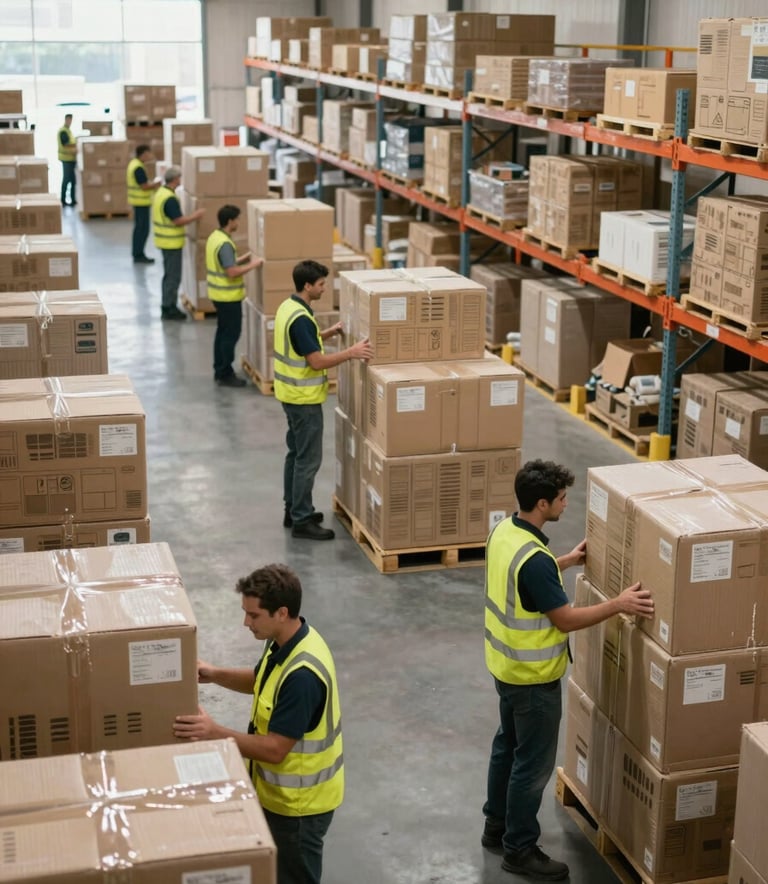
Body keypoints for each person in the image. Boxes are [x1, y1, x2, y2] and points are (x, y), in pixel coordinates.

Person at [482, 459, 654, 881]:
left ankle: (496, 826)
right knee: (532, 765)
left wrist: (565, 561)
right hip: (534, 680)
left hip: (505, 668)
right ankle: (519, 849)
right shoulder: (535, 561)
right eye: (561, 499)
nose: (565, 504)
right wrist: (618, 604)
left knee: (507, 747)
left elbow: (526, 581)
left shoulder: (505, 532)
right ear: (542, 504)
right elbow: (565, 620)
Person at [173, 563, 343, 884]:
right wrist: (215, 674)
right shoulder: (284, 640)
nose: (246, 622)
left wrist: (214, 732)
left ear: (281, 613)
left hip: (298, 808)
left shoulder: (303, 676)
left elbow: (276, 749)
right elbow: (262, 680)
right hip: (277, 796)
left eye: (253, 615)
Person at [275, 259, 373, 540]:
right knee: (308, 460)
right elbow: (316, 362)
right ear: (307, 286)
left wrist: (327, 333)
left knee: (295, 455)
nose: (324, 288)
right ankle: (302, 520)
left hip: (290, 396)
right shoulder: (301, 319)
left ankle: (293, 510)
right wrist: (352, 353)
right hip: (303, 400)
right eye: (320, 284)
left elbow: (301, 343)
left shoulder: (288, 307)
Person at [206, 204, 263, 387]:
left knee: (222, 333)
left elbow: (227, 263)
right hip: (227, 297)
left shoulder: (215, 237)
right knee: (230, 335)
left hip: (218, 295)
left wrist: (245, 258)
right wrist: (254, 265)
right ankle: (225, 373)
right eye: (237, 219)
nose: (239, 222)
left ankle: (219, 369)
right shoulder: (225, 244)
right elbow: (231, 272)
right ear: (230, 221)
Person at [152, 165, 204, 321]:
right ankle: (169, 308)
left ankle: (167, 305)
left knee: (169, 275)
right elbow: (178, 221)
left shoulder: (161, 193)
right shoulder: (169, 199)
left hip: (165, 241)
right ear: (175, 179)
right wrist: (196, 216)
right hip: (171, 243)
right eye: (179, 178)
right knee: (173, 277)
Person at [127, 144, 161, 264]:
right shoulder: (138, 168)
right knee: (142, 230)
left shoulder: (134, 164)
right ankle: (138, 254)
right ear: (144, 154)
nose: (151, 156)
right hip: (141, 203)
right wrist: (156, 184)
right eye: (149, 153)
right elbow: (144, 186)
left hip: (138, 202)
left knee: (139, 228)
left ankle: (138, 253)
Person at [58, 113, 76, 207]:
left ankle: (73, 200)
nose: (70, 122)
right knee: (66, 179)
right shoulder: (63, 131)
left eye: (71, 120)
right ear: (65, 120)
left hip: (72, 159)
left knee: (73, 180)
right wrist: (77, 147)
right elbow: (66, 144)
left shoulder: (69, 131)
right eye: (68, 120)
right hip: (66, 159)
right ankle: (63, 200)